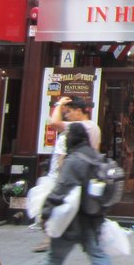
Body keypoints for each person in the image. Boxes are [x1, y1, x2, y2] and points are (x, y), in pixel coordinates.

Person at [23, 123, 123, 265]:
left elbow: (61, 190)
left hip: (70, 221)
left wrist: (46, 213)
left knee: (54, 256)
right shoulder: (96, 156)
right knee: (97, 254)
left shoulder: (74, 160)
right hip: (92, 218)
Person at [32, 95, 101, 253]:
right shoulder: (93, 127)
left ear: (79, 111)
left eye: (69, 112)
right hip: (83, 173)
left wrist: (59, 104)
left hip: (73, 174)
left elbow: (54, 123)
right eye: (66, 112)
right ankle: (58, 239)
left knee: (59, 205)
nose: (67, 115)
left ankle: (54, 238)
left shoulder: (82, 126)